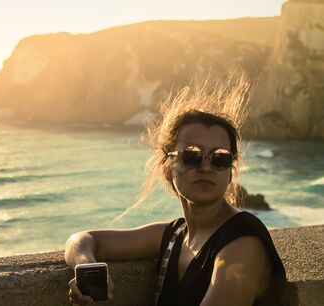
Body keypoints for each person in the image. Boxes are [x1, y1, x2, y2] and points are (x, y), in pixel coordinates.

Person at [64, 74, 286, 306]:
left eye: (220, 158)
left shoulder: (243, 243)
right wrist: (87, 265)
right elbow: (81, 239)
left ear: (230, 172)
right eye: (192, 155)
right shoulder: (174, 236)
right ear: (167, 167)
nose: (206, 167)